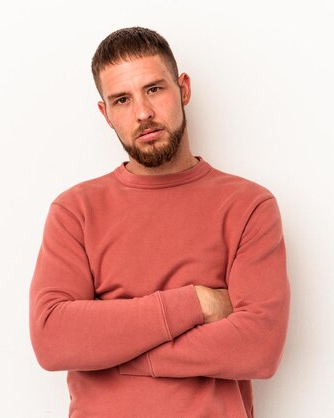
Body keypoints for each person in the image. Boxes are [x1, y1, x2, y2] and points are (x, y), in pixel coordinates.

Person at [29, 26, 290, 418]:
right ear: (105, 114)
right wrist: (197, 302)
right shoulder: (75, 210)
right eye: (122, 99)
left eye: (154, 89)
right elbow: (52, 339)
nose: (143, 113)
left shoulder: (249, 206)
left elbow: (259, 347)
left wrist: (113, 350)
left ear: (183, 88)